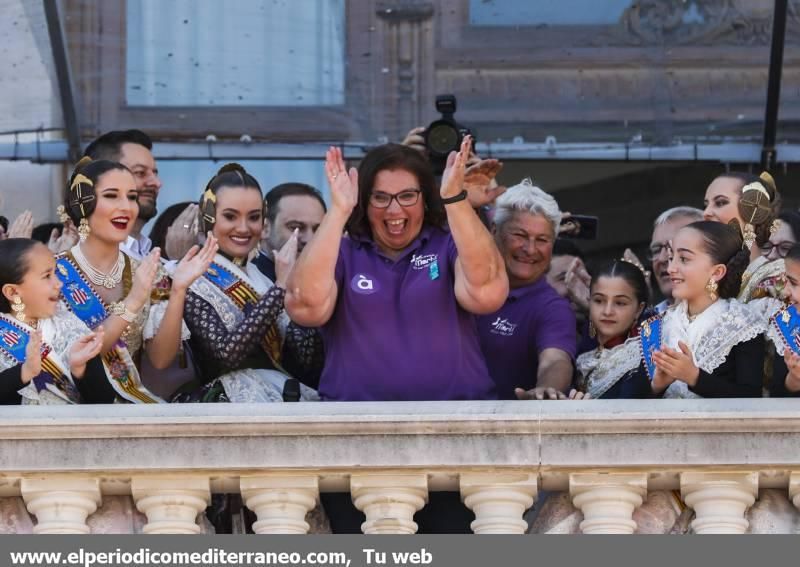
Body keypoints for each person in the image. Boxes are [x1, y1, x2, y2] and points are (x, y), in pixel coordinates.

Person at [286, 138, 507, 533]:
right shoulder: (344, 250)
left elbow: (487, 292)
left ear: (425, 200)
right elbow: (305, 306)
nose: (394, 210)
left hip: (456, 445)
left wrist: (455, 200)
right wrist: (338, 212)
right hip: (356, 448)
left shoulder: (448, 245)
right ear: (364, 203)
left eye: (407, 196)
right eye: (381, 198)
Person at [57, 157, 216, 403]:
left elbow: (161, 360)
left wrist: (179, 290)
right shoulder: (51, 272)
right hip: (63, 407)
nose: (126, 207)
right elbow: (83, 352)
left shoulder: (150, 271)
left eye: (131, 197)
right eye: (112, 196)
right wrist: (134, 300)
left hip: (124, 409)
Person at [170, 164, 323, 404]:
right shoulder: (189, 274)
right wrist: (280, 290)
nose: (243, 228)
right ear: (209, 216)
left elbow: (306, 361)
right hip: (227, 404)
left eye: (253, 217)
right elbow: (227, 354)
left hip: (280, 395)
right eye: (230, 216)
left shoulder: (261, 277)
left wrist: (298, 290)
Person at [477, 179, 576, 400]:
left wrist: (547, 389)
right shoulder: (462, 278)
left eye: (542, 239)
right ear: (494, 231)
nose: (530, 249)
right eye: (520, 235)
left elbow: (555, 360)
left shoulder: (552, 307)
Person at [645, 221, 765, 398]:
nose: (671, 269)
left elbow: (751, 397)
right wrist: (657, 386)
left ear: (716, 272)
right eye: (672, 258)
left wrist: (694, 377)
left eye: (684, 259)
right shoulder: (660, 324)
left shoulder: (744, 325)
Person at [0, 238, 113, 405]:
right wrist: (24, 372)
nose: (59, 283)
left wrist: (80, 369)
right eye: (47, 276)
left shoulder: (69, 323)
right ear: (13, 292)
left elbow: (104, 401)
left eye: (56, 273)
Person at [571, 260, 651, 399]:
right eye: (599, 301)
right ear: (589, 302)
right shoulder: (583, 355)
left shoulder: (641, 361)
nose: (607, 311)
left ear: (638, 310)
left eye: (620, 303)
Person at [702, 171, 783, 304]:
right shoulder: (711, 279)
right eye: (705, 205)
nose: (706, 213)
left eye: (720, 202)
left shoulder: (779, 280)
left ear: (754, 211)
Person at [255, 182, 327, 282]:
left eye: (318, 230)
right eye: (295, 227)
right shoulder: (245, 278)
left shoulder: (329, 277)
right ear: (264, 228)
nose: (309, 239)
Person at [648, 207, 704, 313]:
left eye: (673, 247)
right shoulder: (646, 324)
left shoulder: (735, 318)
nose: (662, 258)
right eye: (656, 250)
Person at [767, 243, 800, 397]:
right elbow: (777, 397)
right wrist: (794, 379)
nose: (786, 291)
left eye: (793, 283)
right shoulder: (789, 322)